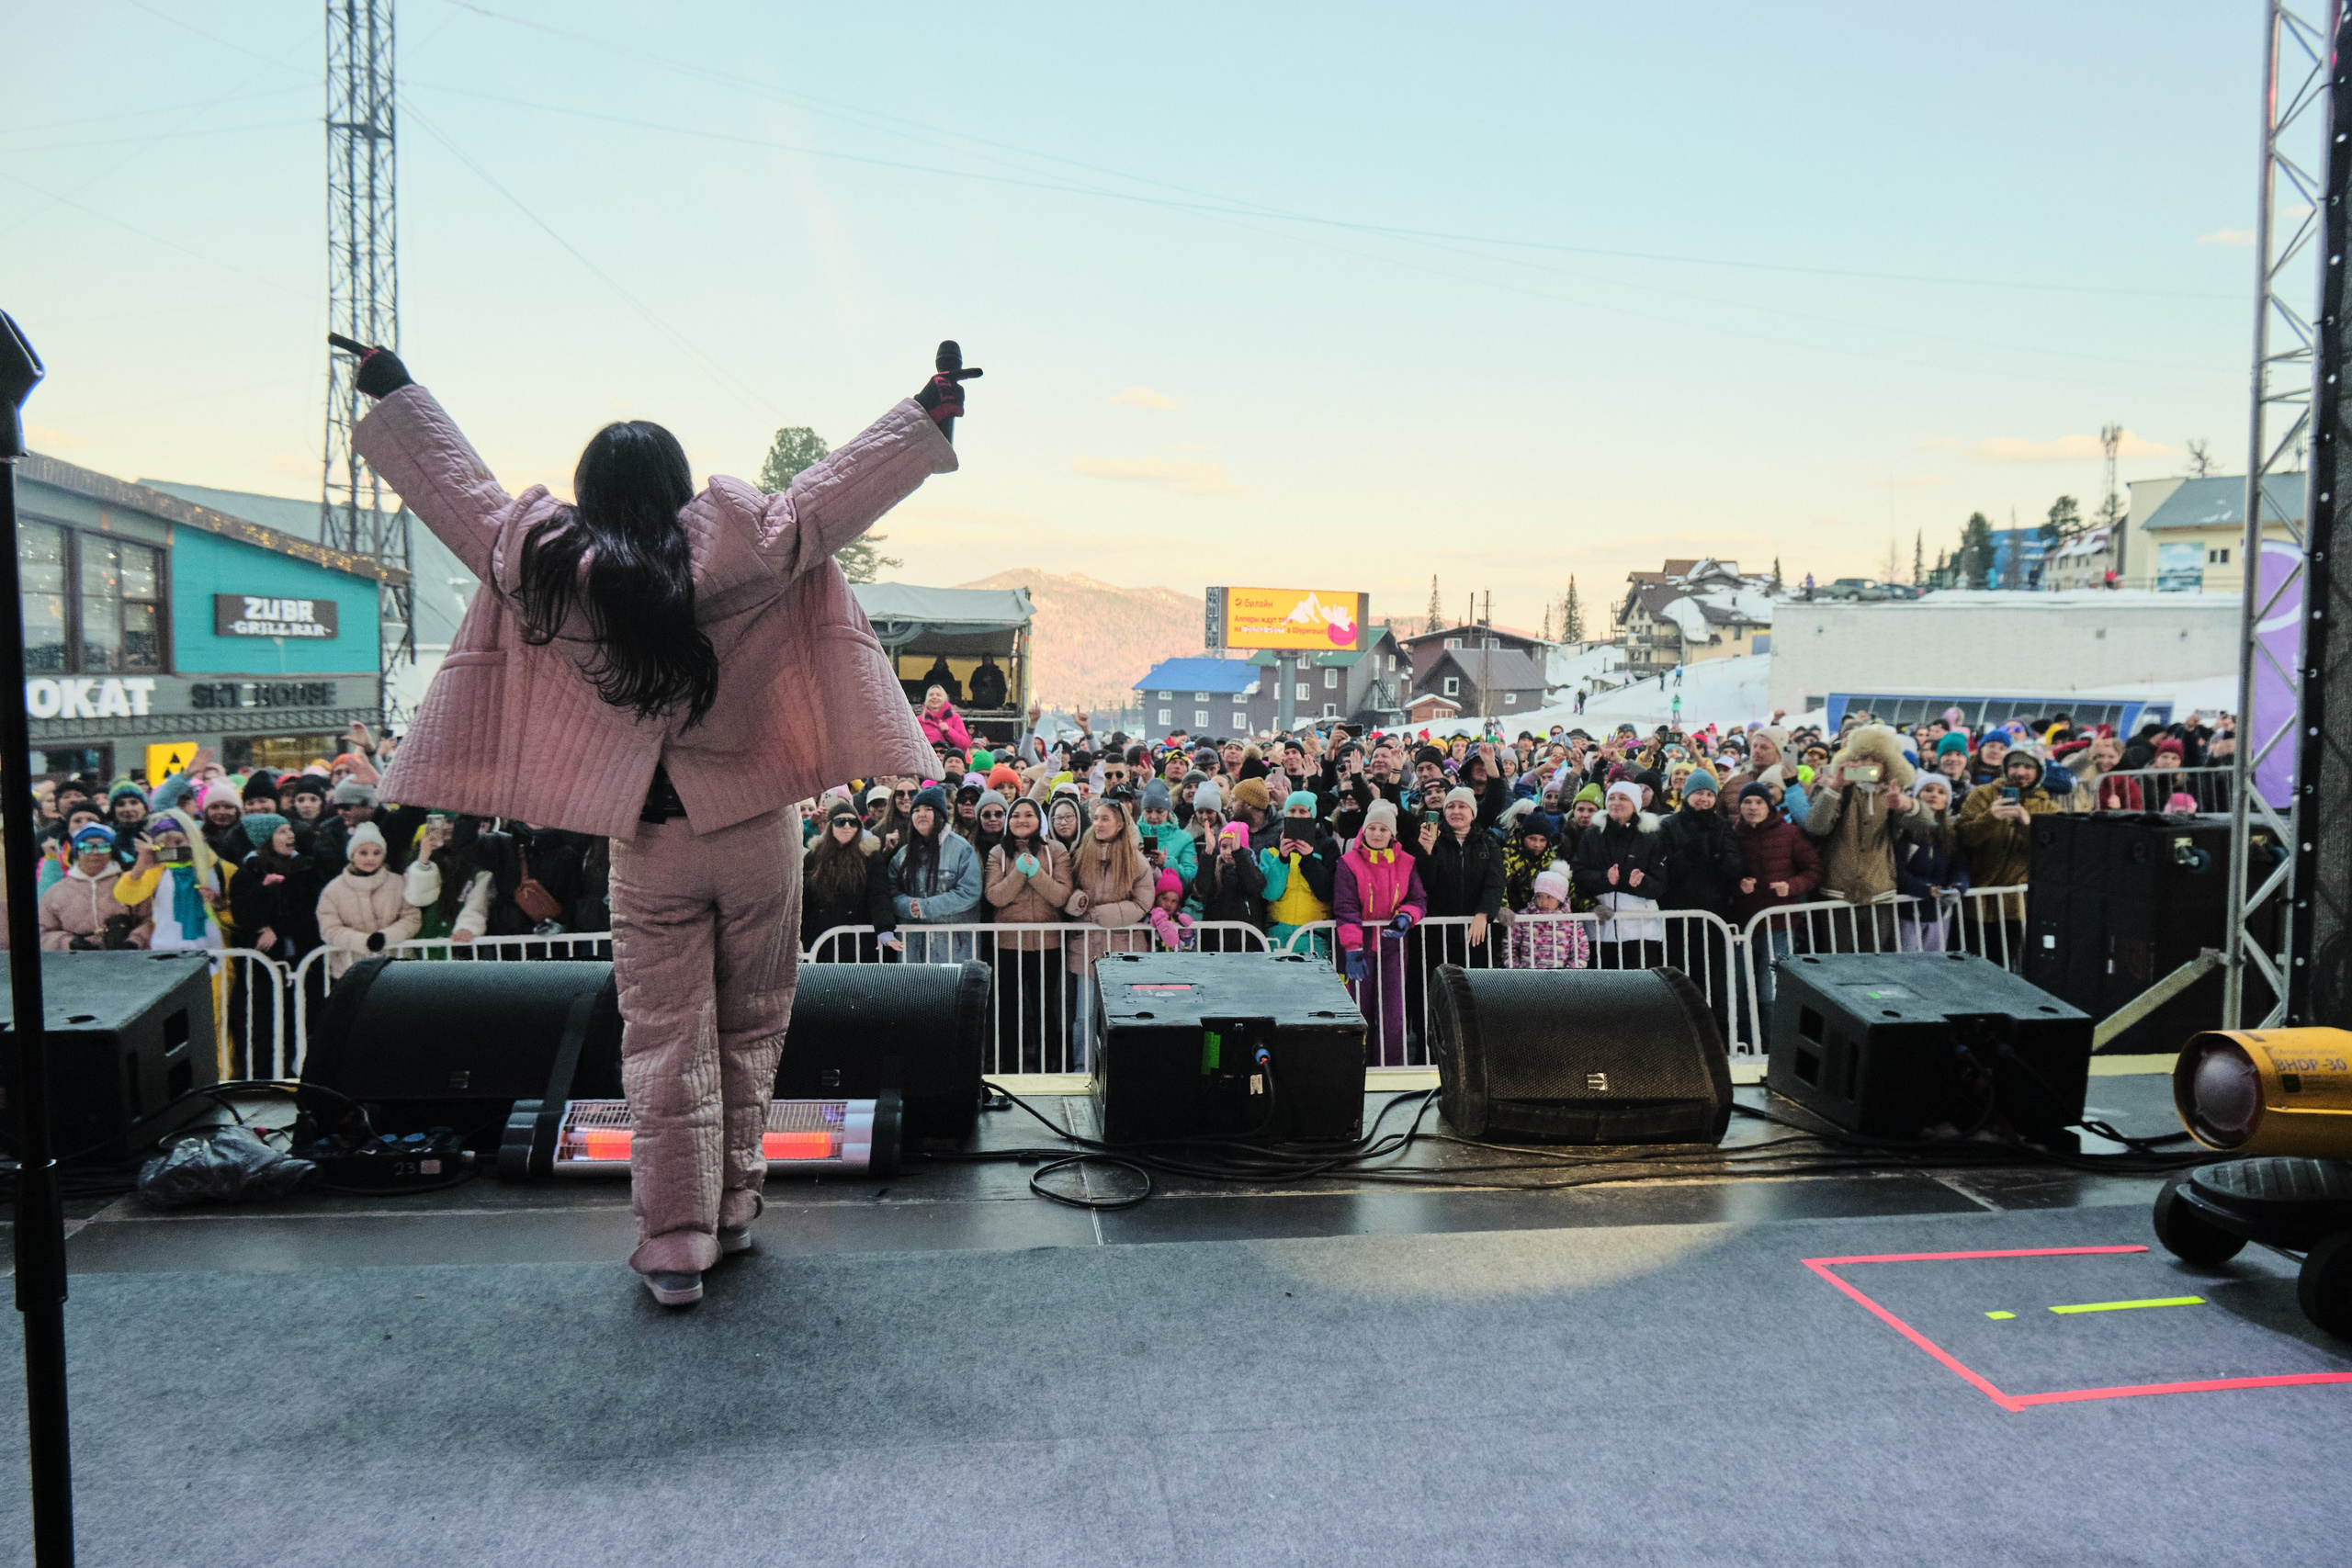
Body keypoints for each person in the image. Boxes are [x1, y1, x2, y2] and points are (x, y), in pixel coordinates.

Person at [343, 333, 960, 1307]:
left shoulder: (548, 566)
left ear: (588, 489)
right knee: (752, 1026)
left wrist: (392, 388)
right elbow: (837, 491)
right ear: (678, 486)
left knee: (663, 1043)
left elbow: (459, 495)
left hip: (647, 840)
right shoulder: (751, 548)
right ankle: (734, 1209)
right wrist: (926, 412)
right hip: (756, 833)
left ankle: (675, 1244)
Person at [1802, 724, 1930, 946]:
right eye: (1861, 758)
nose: (1867, 765)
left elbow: (1927, 822)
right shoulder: (1838, 791)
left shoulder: (1892, 795)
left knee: (1874, 964)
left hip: (1879, 893)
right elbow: (1815, 826)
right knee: (1836, 965)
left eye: (1875, 759)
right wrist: (1836, 787)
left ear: (1888, 764)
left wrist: (1907, 804)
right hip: (1837, 893)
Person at [1333, 800, 1428, 1066]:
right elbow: (1346, 906)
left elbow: (1418, 899)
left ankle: (1390, 1069)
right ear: (1364, 831)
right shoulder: (1348, 863)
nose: (1376, 834)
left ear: (1392, 834)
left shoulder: (1407, 862)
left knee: (1393, 1015)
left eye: (1383, 829)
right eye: (1372, 828)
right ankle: (1356, 1068)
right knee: (1358, 1011)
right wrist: (1352, 948)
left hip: (1392, 947)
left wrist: (1405, 917)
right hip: (1358, 947)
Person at [985, 796, 1074, 1070]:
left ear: (1040, 820)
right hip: (1009, 945)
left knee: (1045, 1008)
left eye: (1028, 815)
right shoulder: (998, 854)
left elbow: (1060, 895)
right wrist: (1019, 873)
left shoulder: (1056, 851)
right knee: (1009, 1009)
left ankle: (1049, 1065)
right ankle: (1010, 1066)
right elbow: (995, 896)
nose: (1021, 820)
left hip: (1047, 944)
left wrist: (1034, 872)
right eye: (1015, 816)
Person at [1063, 798, 1155, 1060]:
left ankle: (1120, 1066)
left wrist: (1104, 915)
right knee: (1084, 1016)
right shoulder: (1081, 853)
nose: (1099, 823)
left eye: (1105, 819)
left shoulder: (1136, 861)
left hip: (1124, 948)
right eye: (1097, 818)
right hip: (1085, 949)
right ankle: (1083, 1065)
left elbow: (1142, 902)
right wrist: (1076, 901)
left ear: (1119, 825)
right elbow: (1068, 888)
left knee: (1122, 1014)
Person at [1956, 748, 2059, 959]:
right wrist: (1990, 817)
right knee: (1968, 963)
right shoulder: (1981, 795)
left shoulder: (2049, 807)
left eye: (2028, 766)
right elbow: (1965, 838)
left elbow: (2054, 852)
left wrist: (2028, 824)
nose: (2020, 772)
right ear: (2005, 768)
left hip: (2015, 904)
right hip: (1976, 898)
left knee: (2006, 964)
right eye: (2014, 765)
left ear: (2039, 771)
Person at [1657, 767, 1742, 1008]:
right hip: (1676, 918)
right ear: (1687, 794)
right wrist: (1690, 852)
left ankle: (1714, 1031)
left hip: (1712, 918)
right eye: (1699, 793)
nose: (1704, 799)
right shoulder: (1669, 826)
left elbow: (1735, 867)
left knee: (1711, 981)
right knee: (1677, 981)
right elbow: (1664, 871)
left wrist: (1718, 855)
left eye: (1709, 794)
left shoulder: (1722, 827)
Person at [1570, 781, 1668, 968]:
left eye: (1623, 798)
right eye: (1612, 798)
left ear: (1636, 804)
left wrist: (1641, 883)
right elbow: (1579, 874)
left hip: (1640, 929)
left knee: (1638, 988)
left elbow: (1661, 884)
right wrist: (1604, 879)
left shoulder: (1650, 836)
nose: (1616, 802)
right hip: (1600, 927)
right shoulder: (1592, 835)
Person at [315, 821, 424, 979]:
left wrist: (385, 937)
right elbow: (329, 929)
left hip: (397, 965)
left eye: (376, 852)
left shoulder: (399, 883)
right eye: (363, 853)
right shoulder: (333, 890)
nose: (370, 858)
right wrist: (363, 941)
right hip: (351, 969)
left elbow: (412, 917)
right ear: (352, 855)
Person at [890, 784, 986, 963]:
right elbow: (891, 891)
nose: (922, 814)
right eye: (916, 810)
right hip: (914, 950)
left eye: (929, 809)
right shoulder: (903, 854)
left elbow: (970, 892)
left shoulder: (962, 849)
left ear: (941, 815)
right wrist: (907, 906)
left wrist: (927, 907)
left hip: (953, 949)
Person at [800, 801, 899, 961]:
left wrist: (885, 929)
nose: (847, 826)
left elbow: (879, 895)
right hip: (821, 939)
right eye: (840, 822)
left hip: (860, 940)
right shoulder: (814, 857)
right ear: (830, 825)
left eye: (852, 822)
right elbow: (804, 898)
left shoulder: (870, 857)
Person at [114, 809, 223, 953]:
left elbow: (234, 909)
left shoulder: (217, 868)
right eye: (164, 846)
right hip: (165, 950)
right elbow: (127, 897)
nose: (174, 849)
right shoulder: (157, 870)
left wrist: (218, 902)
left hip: (213, 952)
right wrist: (139, 869)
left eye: (178, 841)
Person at [228, 814, 322, 964]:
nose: (291, 835)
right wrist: (264, 890)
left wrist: (277, 929)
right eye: (282, 832)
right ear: (266, 840)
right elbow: (241, 915)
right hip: (264, 958)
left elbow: (309, 909)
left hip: (305, 954)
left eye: (290, 830)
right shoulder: (248, 873)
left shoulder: (305, 868)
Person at [40, 823, 150, 950]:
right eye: (86, 847)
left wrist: (134, 941)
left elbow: (149, 920)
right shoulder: (56, 891)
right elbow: (42, 932)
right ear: (77, 852)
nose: (95, 852)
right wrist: (68, 943)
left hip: (125, 960)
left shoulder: (129, 883)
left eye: (103, 847)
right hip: (75, 962)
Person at [1896, 774, 1970, 952]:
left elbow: (1960, 867)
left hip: (1939, 913)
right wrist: (1925, 889)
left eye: (1941, 792)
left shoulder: (1951, 833)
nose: (1934, 795)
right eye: (1928, 790)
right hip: (1906, 911)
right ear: (1917, 795)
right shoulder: (1905, 830)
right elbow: (1897, 870)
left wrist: (1958, 886)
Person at [1261, 791, 1338, 956]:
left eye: (1303, 811)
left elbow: (1326, 892)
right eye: (1292, 811)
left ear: (1313, 815)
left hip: (1312, 933)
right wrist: (1282, 859)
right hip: (1277, 931)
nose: (1297, 816)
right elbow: (1271, 893)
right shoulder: (1271, 847)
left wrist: (1308, 859)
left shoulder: (1327, 845)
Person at [402, 815, 498, 944]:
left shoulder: (479, 864)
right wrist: (423, 860)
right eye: (438, 822)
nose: (446, 827)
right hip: (421, 942)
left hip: (458, 945)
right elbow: (418, 899)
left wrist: (467, 928)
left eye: (451, 821)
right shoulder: (418, 858)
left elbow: (477, 904)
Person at [1509, 866, 1589, 971]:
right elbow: (1510, 946)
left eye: (1549, 897)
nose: (1543, 901)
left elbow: (1581, 951)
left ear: (1559, 898)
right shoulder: (1524, 918)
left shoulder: (1571, 922)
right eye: (1539, 896)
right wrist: (1517, 972)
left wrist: (1569, 975)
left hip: (1561, 982)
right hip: (1528, 980)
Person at [919, 685, 973, 753]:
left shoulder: (955, 718)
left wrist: (949, 731)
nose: (934, 697)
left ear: (945, 699)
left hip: (948, 761)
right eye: (931, 695)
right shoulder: (919, 720)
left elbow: (965, 745)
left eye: (938, 695)